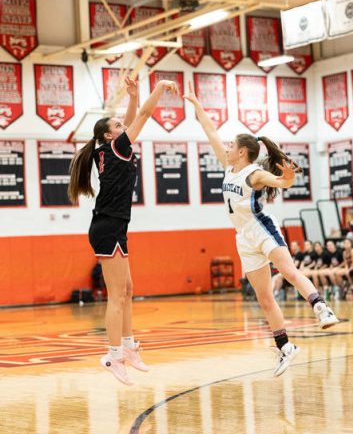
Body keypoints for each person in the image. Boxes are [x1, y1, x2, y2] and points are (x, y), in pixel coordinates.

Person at [184, 82, 339, 377]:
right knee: (265, 298)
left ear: (242, 152)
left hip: (262, 227)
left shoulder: (254, 174)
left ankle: (321, 308)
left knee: (289, 271)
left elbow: (281, 182)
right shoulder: (229, 167)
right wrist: (195, 103)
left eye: (232, 146)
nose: (227, 148)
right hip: (243, 238)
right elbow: (211, 131)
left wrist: (288, 178)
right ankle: (285, 347)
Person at [68, 77, 178, 385]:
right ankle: (113, 355)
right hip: (107, 226)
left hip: (114, 225)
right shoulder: (115, 147)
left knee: (128, 290)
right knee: (117, 295)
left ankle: (129, 347)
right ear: (108, 134)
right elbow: (141, 117)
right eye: (117, 124)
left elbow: (132, 119)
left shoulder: (112, 148)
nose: (122, 126)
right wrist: (157, 88)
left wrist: (133, 95)